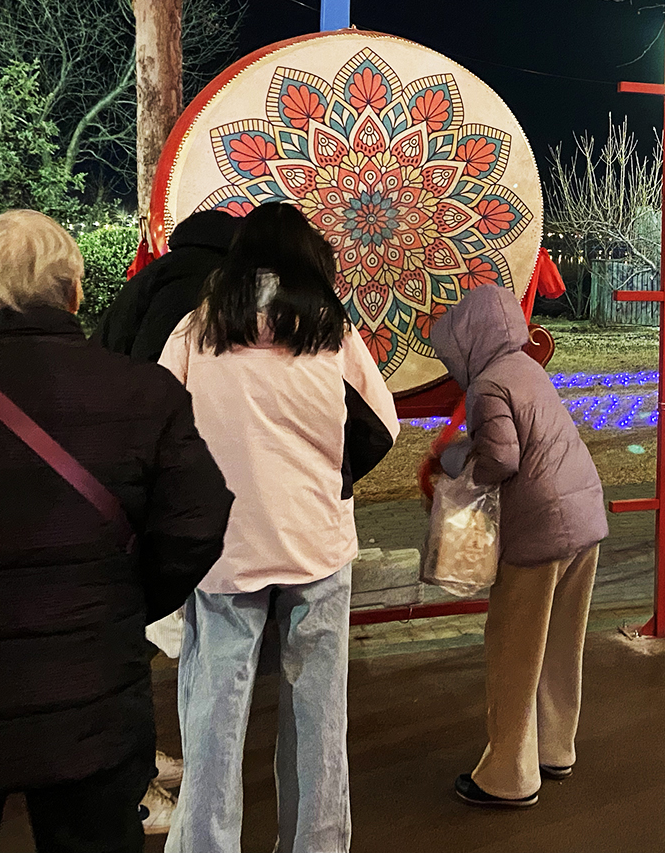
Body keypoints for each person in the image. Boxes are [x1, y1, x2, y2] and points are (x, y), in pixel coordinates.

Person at [0, 210, 233, 853]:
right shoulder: (144, 394)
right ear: (75, 293)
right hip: (92, 704)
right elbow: (197, 523)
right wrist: (119, 600)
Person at [159, 202, 398, 853]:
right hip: (316, 544)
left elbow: (159, 429)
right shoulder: (330, 330)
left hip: (223, 552)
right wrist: (331, 476)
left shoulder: (197, 330)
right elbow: (384, 424)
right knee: (318, 722)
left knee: (213, 720)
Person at [429, 283, 608, 808]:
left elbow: (502, 459)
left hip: (540, 532)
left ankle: (508, 776)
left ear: (470, 339)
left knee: (514, 648)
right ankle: (555, 748)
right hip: (583, 519)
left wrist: (455, 466)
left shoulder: (487, 384)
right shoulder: (527, 368)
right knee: (560, 644)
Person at [94, 209, 241, 832]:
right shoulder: (209, 293)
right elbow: (173, 392)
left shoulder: (146, 283)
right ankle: (135, 788)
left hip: (107, 468)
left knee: (128, 631)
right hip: (156, 474)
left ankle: (141, 762)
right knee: (160, 635)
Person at [96, 210, 242, 361]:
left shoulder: (166, 266)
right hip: (127, 376)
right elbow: (154, 345)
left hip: (106, 368)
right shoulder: (197, 274)